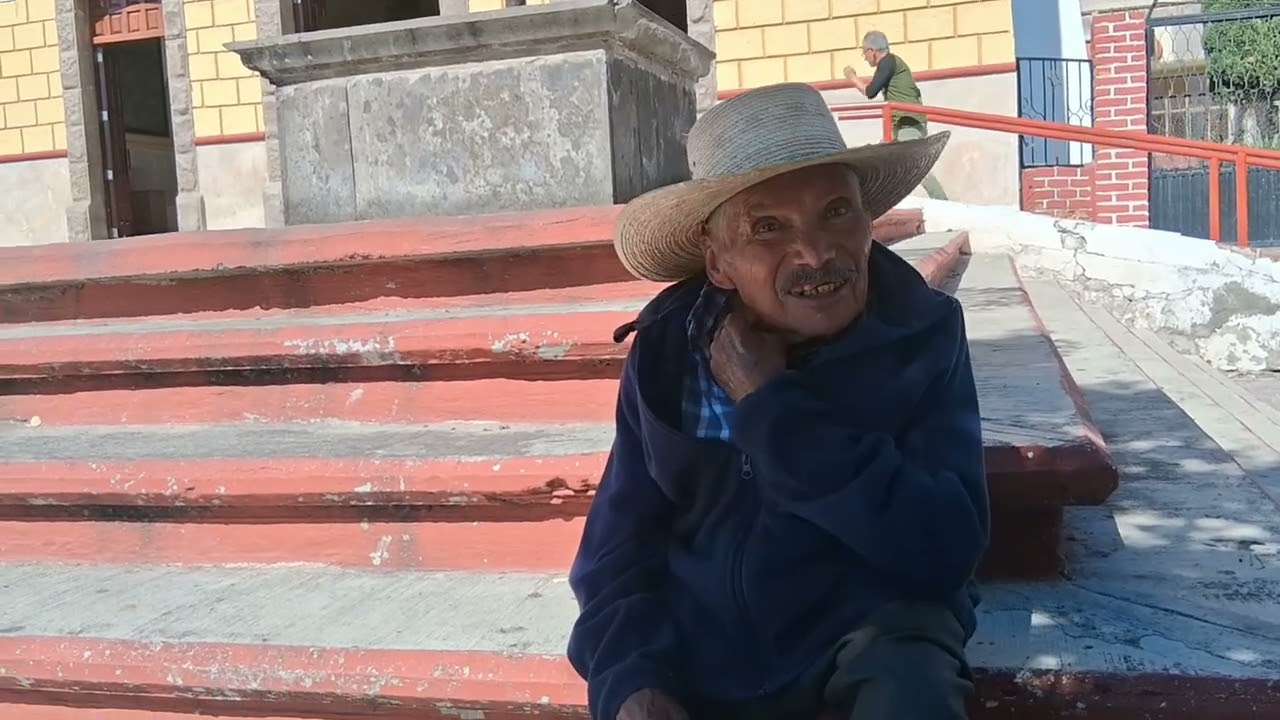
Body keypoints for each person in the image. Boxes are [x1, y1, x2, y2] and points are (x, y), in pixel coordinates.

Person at [566, 82, 989, 720]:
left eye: (837, 213)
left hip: (874, 629)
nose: (817, 253)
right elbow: (618, 548)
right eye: (768, 227)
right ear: (717, 263)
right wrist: (631, 677)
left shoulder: (921, 335)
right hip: (704, 646)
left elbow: (943, 548)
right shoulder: (666, 353)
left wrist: (770, 406)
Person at [843, 30, 948, 200]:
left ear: (872, 51)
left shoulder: (888, 62)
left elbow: (870, 92)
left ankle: (941, 199)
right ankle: (879, 199)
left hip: (908, 121)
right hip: (900, 122)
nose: (865, 57)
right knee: (881, 158)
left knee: (915, 163)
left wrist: (852, 77)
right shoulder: (890, 63)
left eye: (865, 53)